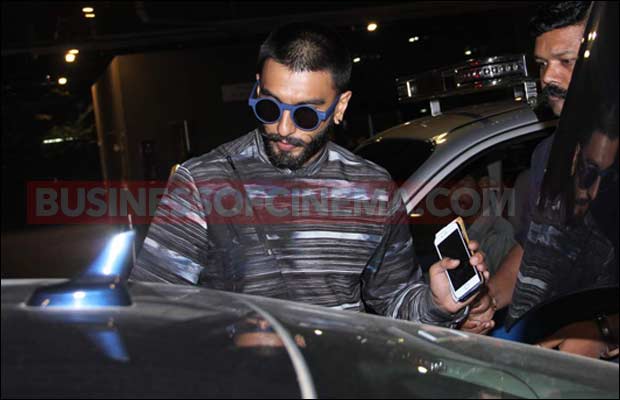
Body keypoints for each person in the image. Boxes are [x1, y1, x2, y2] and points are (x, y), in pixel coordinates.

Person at [130, 22, 489, 329]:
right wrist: (231, 338)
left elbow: (394, 302)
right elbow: (153, 310)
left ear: (341, 107)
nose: (283, 128)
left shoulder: (373, 189)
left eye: (305, 115)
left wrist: (437, 305)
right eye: (269, 106)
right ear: (257, 88)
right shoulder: (202, 182)